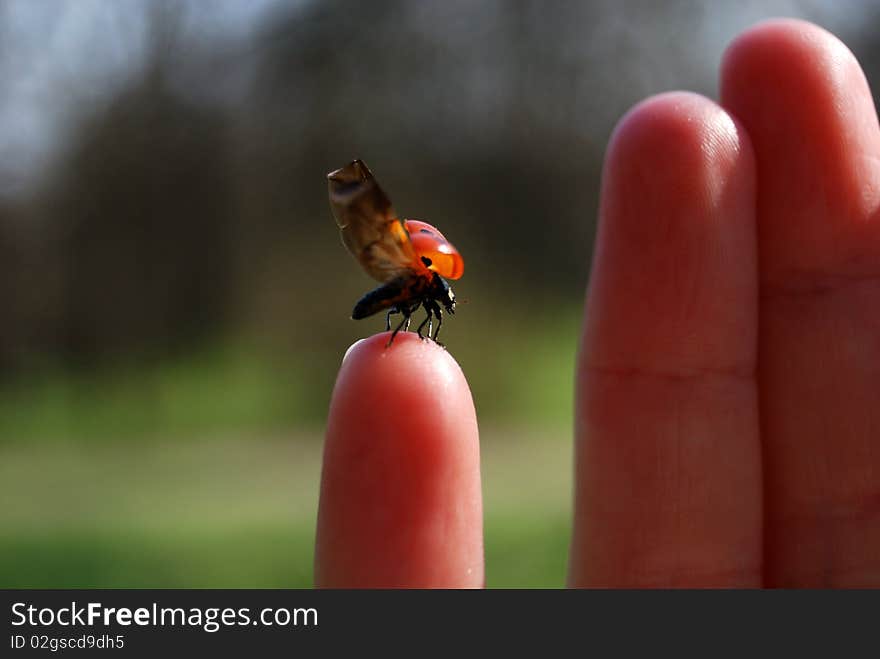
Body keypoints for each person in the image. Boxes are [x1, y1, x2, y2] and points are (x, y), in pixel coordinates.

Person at [314, 18, 880, 588]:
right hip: (389, 292)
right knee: (404, 337)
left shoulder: (430, 285)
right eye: (439, 297)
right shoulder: (414, 275)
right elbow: (398, 275)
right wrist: (401, 320)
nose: (442, 303)